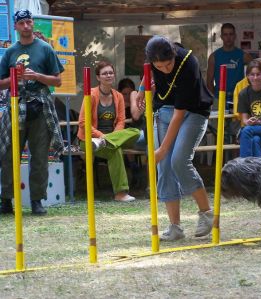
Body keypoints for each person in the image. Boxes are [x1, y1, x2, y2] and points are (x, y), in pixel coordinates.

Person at [136, 36, 214, 241]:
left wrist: (162, 150)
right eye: (159, 66)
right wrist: (141, 90)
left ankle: (206, 214)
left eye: (168, 64)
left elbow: (180, 115)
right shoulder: (153, 60)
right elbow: (149, 71)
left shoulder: (188, 63)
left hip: (193, 111)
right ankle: (175, 227)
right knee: (165, 168)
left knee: (178, 160)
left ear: (173, 56)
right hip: (165, 111)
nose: (164, 69)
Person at [0, 9, 64, 215]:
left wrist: (37, 76)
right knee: (10, 154)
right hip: (15, 105)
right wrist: (14, 79)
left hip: (40, 106)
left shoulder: (45, 49)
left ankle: (37, 200)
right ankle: (6, 200)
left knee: (39, 156)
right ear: (16, 26)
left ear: (32, 24)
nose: (26, 26)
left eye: (29, 22)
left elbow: (57, 80)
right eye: (22, 23)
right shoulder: (9, 52)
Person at [77, 61, 141, 202]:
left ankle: (109, 142)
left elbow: (120, 121)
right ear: (98, 77)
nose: (108, 75)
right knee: (115, 150)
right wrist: (101, 137)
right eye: (105, 73)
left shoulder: (118, 96)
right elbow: (83, 122)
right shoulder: (91, 94)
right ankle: (120, 193)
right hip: (89, 140)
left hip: (111, 139)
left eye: (110, 72)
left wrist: (110, 137)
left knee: (136, 132)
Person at [207, 23, 252, 110]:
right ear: (221, 37)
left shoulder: (243, 55)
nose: (228, 37)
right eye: (225, 34)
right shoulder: (214, 56)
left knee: (238, 123)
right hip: (219, 98)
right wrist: (214, 99)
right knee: (218, 124)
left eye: (231, 34)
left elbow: (256, 74)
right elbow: (209, 82)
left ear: (235, 36)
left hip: (238, 98)